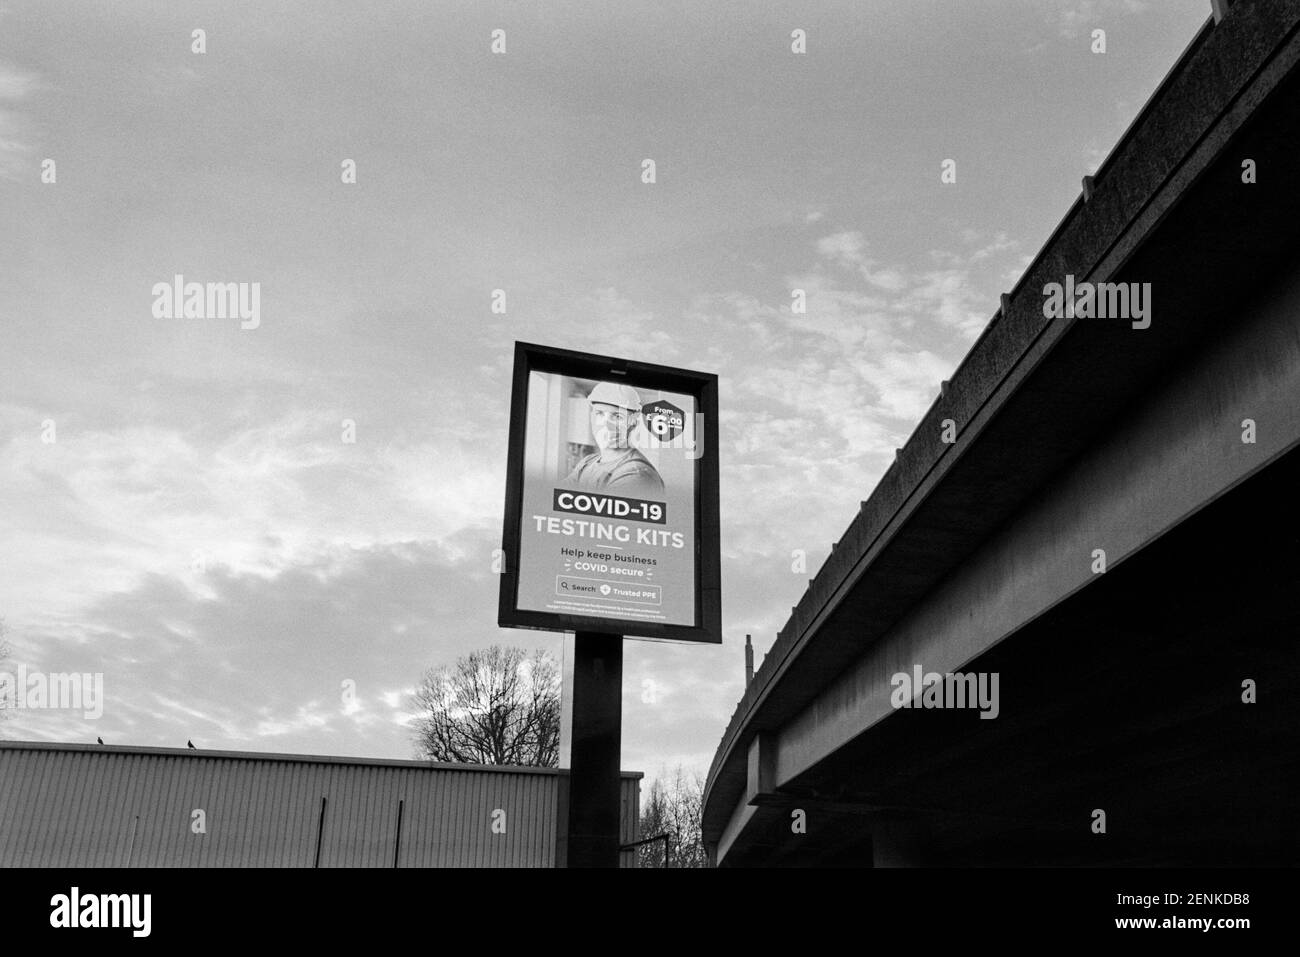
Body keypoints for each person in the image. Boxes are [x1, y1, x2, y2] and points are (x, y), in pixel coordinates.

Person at [565, 381, 666, 499]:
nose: (606, 424)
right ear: (591, 417)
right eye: (600, 414)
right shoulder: (587, 463)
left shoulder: (637, 476)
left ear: (633, 423)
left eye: (617, 416)